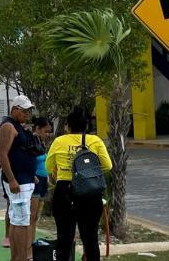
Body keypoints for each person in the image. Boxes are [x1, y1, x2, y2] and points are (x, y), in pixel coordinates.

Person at [45, 106, 112, 261]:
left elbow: (48, 167)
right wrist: (89, 173)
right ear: (87, 126)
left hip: (64, 192)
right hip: (89, 192)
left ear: (68, 126)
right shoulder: (95, 141)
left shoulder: (59, 141)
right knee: (90, 240)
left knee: (64, 240)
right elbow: (108, 166)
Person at [0, 94, 37, 261]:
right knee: (21, 222)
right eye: (24, 111)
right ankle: (19, 257)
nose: (27, 114)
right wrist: (12, 179)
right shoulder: (8, 126)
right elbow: (2, 155)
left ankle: (16, 257)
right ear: (15, 109)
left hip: (24, 180)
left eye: (29, 111)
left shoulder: (17, 126)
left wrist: (30, 174)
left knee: (17, 220)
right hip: (18, 183)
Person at [29, 117, 52, 255]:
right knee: (31, 216)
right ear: (37, 129)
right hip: (35, 181)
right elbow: (27, 160)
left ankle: (33, 244)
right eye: (46, 131)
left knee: (36, 216)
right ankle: (29, 247)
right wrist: (32, 176)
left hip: (43, 180)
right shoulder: (31, 141)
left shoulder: (41, 142)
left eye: (49, 132)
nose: (47, 134)